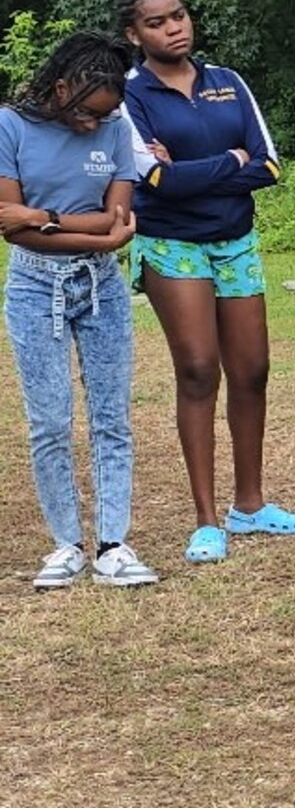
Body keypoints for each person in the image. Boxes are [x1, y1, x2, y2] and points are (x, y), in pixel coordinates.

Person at [115, 0, 295, 564]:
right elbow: (154, 180)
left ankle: (249, 506)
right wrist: (231, 160)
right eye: (157, 22)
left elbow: (271, 166)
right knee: (199, 371)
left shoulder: (229, 83)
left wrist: (197, 171)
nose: (174, 27)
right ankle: (206, 520)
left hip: (235, 240)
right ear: (134, 34)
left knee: (252, 370)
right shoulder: (131, 96)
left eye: (178, 16)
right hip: (172, 244)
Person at [1, 32, 155, 590]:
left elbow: (119, 220)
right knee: (50, 421)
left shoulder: (117, 126)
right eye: (87, 113)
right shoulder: (10, 125)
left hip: (103, 288)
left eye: (106, 115)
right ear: (61, 87)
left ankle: (113, 544)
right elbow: (9, 227)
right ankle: (65, 544)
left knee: (111, 418)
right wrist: (89, 232)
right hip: (32, 286)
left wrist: (39, 216)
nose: (96, 125)